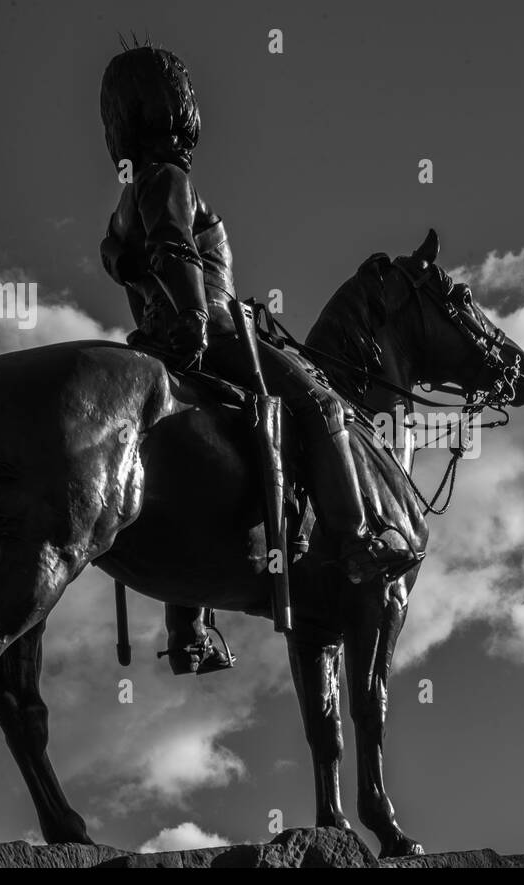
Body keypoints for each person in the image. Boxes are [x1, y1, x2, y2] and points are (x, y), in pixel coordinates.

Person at [98, 44, 416, 675]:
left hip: (157, 336)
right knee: (322, 401)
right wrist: (195, 320)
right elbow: (174, 253)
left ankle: (189, 625)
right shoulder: (171, 180)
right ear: (175, 111)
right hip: (209, 331)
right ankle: (357, 544)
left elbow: (137, 260)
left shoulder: (124, 200)